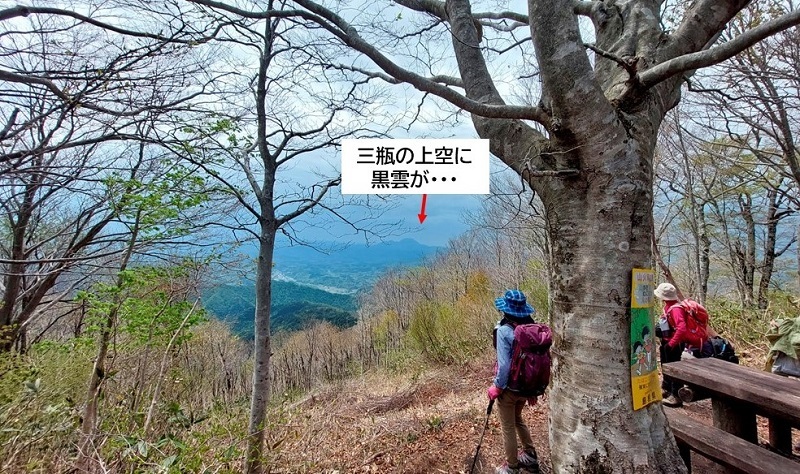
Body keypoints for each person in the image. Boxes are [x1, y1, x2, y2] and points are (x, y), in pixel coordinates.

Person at [487, 289, 540, 474]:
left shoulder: (504, 331)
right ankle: (530, 456)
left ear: (505, 310)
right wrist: (533, 391)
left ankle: (511, 467)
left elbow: (503, 366)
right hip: (526, 388)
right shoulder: (532, 329)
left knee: (508, 426)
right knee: (518, 419)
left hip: (510, 389)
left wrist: (497, 387)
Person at [653, 282, 705, 407]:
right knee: (665, 365)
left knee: (673, 368)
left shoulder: (676, 309)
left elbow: (681, 328)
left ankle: (676, 396)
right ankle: (666, 389)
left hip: (675, 343)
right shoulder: (669, 306)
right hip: (667, 341)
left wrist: (671, 344)